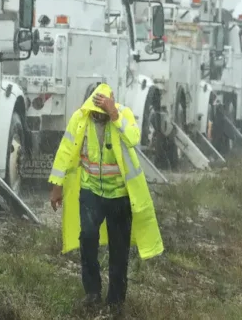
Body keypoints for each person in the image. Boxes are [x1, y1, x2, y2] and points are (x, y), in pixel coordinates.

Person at [48, 83, 163, 315]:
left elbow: (133, 138)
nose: (98, 113)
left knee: (119, 251)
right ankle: (92, 292)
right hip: (91, 193)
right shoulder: (81, 119)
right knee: (87, 238)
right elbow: (65, 151)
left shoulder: (122, 114)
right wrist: (56, 187)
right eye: (96, 107)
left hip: (119, 196)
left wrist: (114, 114)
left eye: (103, 107)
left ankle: (115, 302)